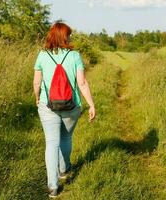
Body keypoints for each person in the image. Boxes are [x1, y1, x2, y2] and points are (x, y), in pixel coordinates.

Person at [33, 21, 96, 198]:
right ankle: (64, 170)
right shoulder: (74, 56)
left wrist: (38, 97)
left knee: (51, 143)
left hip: (47, 105)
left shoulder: (42, 55)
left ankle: (53, 186)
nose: (70, 37)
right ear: (65, 36)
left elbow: (37, 82)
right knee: (66, 137)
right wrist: (91, 104)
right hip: (71, 104)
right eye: (69, 34)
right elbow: (82, 83)